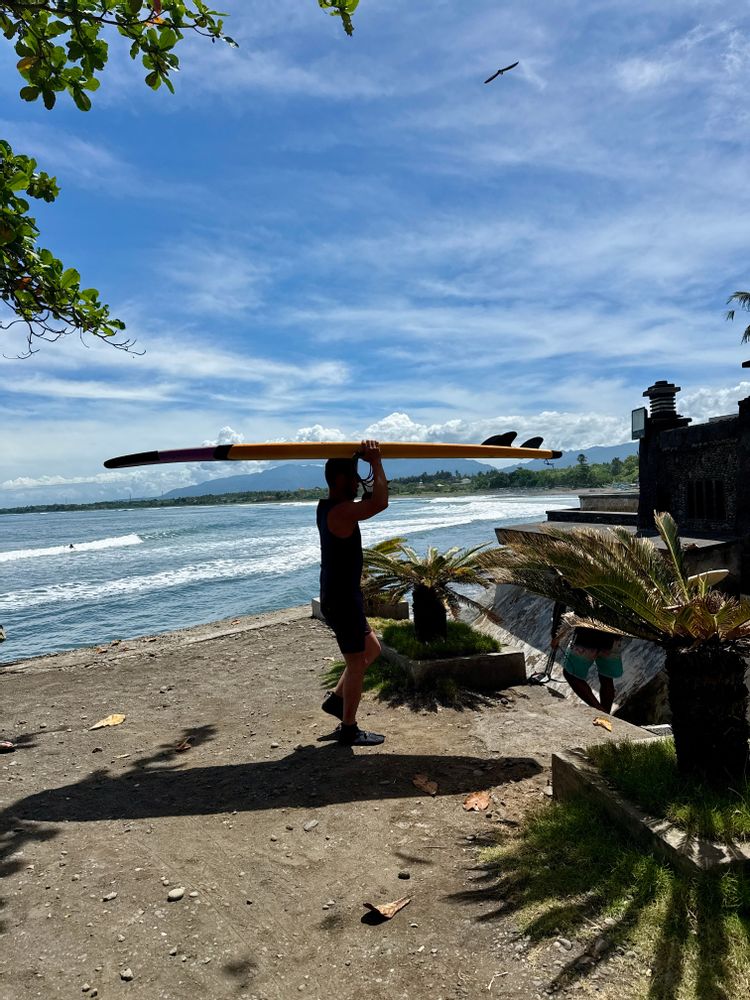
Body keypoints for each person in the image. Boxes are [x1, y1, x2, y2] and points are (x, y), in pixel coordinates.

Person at [317, 440, 389, 747]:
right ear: (339, 480)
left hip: (343, 596)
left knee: (372, 650)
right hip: (342, 600)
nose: (358, 482)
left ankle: (336, 701)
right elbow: (380, 503)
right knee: (357, 662)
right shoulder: (341, 511)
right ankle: (349, 728)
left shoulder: (329, 507)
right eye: (353, 477)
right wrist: (376, 462)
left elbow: (371, 498)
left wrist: (368, 468)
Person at [552, 616, 623, 714]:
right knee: (606, 678)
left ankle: (601, 711)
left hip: (588, 634)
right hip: (612, 634)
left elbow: (572, 615)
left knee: (571, 675)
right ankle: (606, 713)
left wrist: (558, 636)